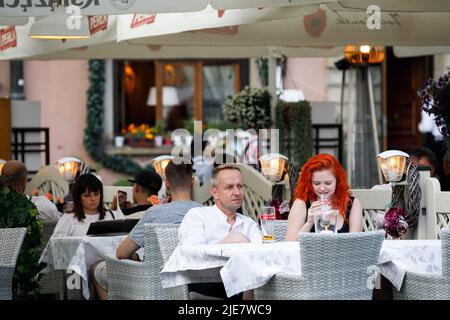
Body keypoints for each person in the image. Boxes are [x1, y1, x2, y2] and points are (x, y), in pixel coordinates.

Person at [90, 161, 203, 300]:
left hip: (152, 284)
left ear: (166, 183)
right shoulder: (206, 213)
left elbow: (121, 253)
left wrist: (135, 257)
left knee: (96, 269)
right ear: (192, 181)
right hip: (195, 284)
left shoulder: (154, 213)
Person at [178, 164, 262, 300]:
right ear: (214, 192)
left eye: (240, 186)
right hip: (205, 285)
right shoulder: (198, 216)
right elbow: (192, 257)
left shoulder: (249, 224)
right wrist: (230, 242)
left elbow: (260, 257)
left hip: (244, 286)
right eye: (229, 187)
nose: (237, 192)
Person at [285, 154, 363, 240]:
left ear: (338, 181)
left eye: (328, 183)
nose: (322, 188)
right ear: (310, 183)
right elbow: (289, 243)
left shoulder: (352, 203)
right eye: (316, 183)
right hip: (311, 253)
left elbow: (356, 242)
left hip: (345, 253)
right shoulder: (301, 203)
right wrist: (309, 222)